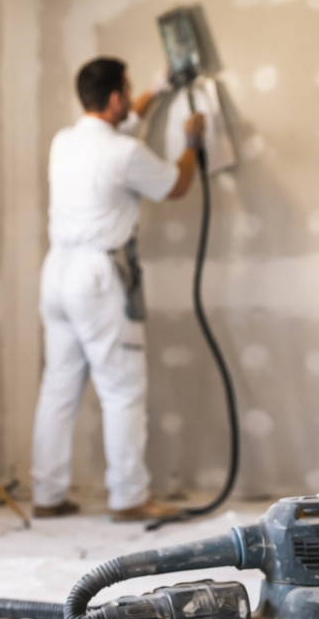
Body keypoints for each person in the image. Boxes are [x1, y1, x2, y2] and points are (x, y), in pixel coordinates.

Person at [30, 56, 206, 523]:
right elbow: (176, 184)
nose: (130, 100)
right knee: (123, 389)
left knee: (58, 388)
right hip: (98, 276)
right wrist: (191, 142)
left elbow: (120, 125)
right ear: (114, 98)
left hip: (56, 272)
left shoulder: (63, 142)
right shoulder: (125, 154)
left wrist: (155, 88)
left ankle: (47, 494)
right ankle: (129, 497)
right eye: (127, 92)